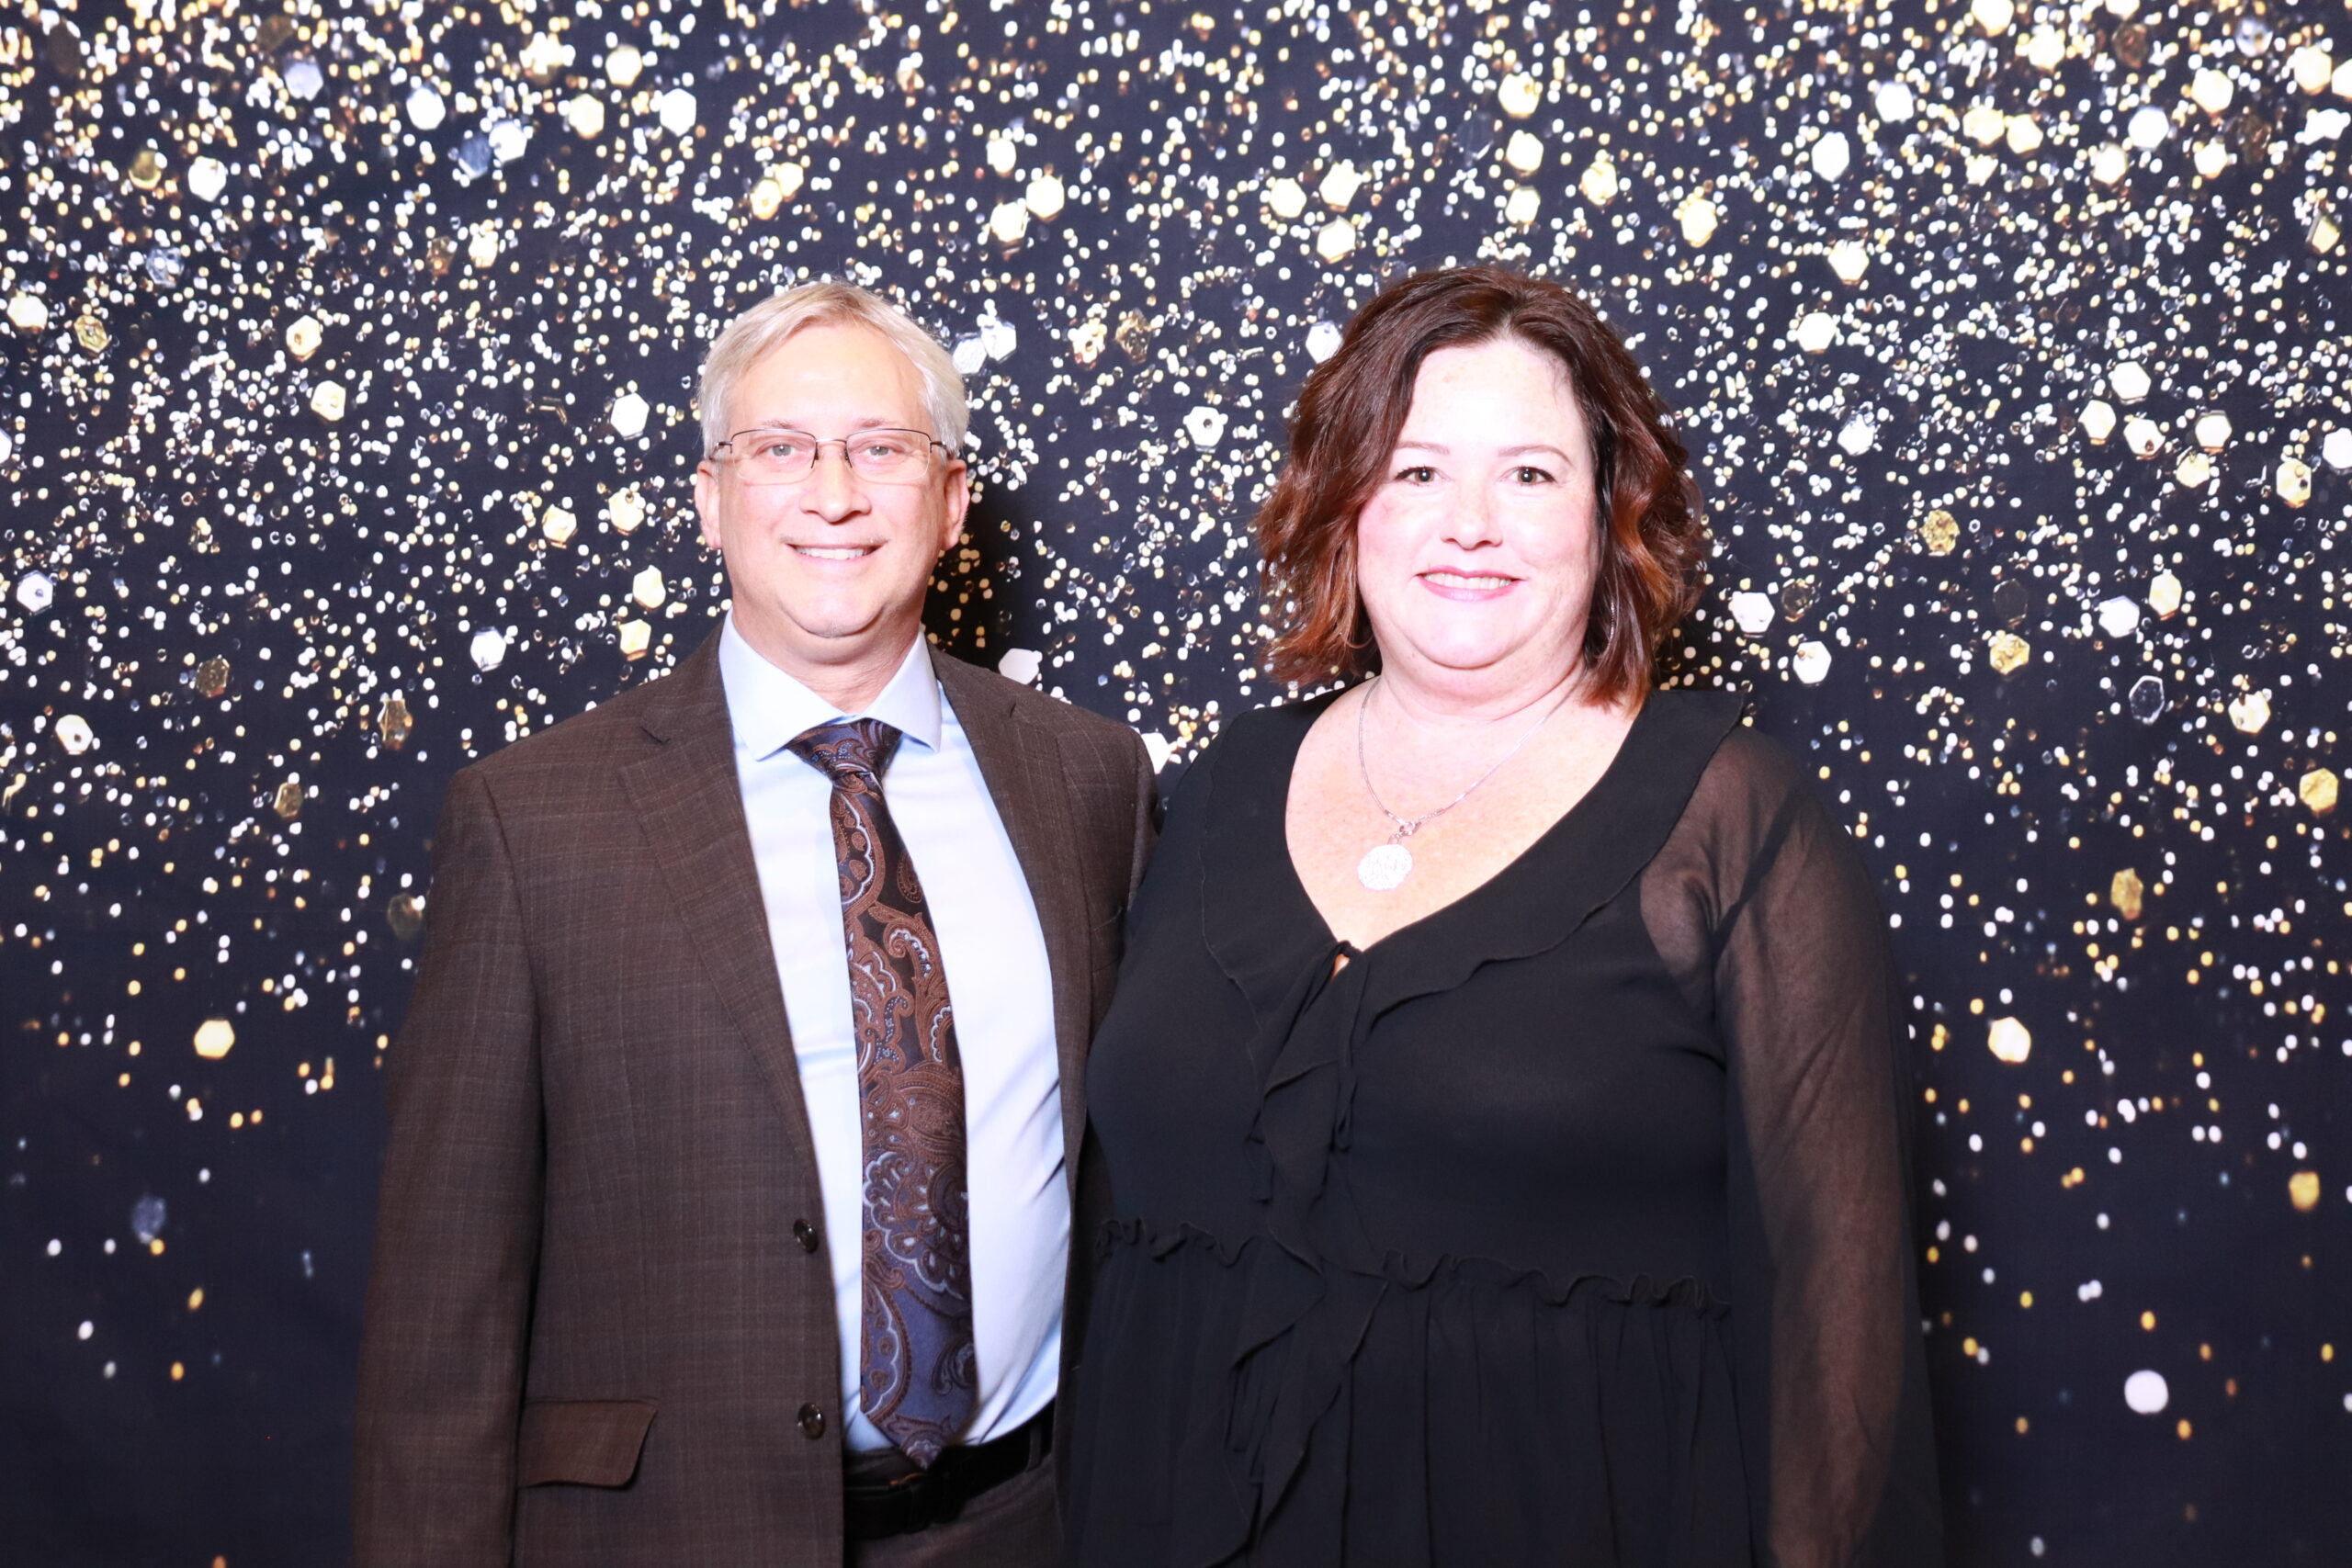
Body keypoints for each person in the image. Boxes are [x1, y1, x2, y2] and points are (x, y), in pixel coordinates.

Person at [1066, 266, 1940, 1566]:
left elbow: (1838, 1313)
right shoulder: (1215, 787)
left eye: (1530, 474)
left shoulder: (1732, 821)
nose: (1469, 524)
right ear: (1344, 503)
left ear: (1611, 512)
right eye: (1416, 471)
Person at [354, 280, 1156, 1566]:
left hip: (1031, 1524)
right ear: (711, 499)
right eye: (780, 448)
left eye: (882, 449)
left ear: (952, 502)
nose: (833, 495)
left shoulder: (1087, 781)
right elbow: (442, 1303)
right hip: (675, 1535)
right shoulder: (532, 820)